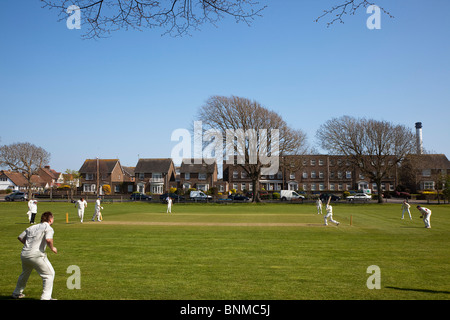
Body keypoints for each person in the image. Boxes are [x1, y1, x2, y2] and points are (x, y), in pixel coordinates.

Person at [12, 211, 57, 300]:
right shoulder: (48, 228)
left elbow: (20, 237)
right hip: (36, 255)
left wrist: (28, 245)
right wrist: (52, 248)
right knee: (49, 274)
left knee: (25, 274)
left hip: (24, 254)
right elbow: (48, 239)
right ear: (50, 220)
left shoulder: (32, 227)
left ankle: (16, 292)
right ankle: (45, 298)